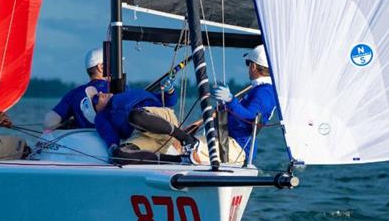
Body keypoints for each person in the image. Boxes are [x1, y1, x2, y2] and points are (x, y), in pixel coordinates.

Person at [117, 45, 277, 165]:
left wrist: (230, 101)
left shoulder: (264, 93)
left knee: (184, 151)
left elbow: (251, 122)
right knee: (175, 150)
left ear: (254, 66)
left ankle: (183, 139)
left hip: (235, 148)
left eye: (248, 64)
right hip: (225, 141)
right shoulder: (260, 90)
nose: (248, 68)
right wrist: (207, 117)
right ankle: (178, 141)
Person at [87, 82, 182, 162]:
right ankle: (177, 160)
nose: (100, 94)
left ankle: (186, 139)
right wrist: (113, 147)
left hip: (164, 122)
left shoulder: (128, 93)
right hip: (147, 138)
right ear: (96, 111)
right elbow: (108, 133)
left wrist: (170, 90)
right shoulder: (102, 116)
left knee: (134, 116)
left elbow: (169, 101)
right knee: (119, 155)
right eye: (95, 99)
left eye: (98, 93)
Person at [43, 48, 110, 130]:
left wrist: (64, 124)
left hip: (81, 139)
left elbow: (48, 122)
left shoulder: (73, 94)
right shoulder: (120, 89)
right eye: (114, 64)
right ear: (101, 67)